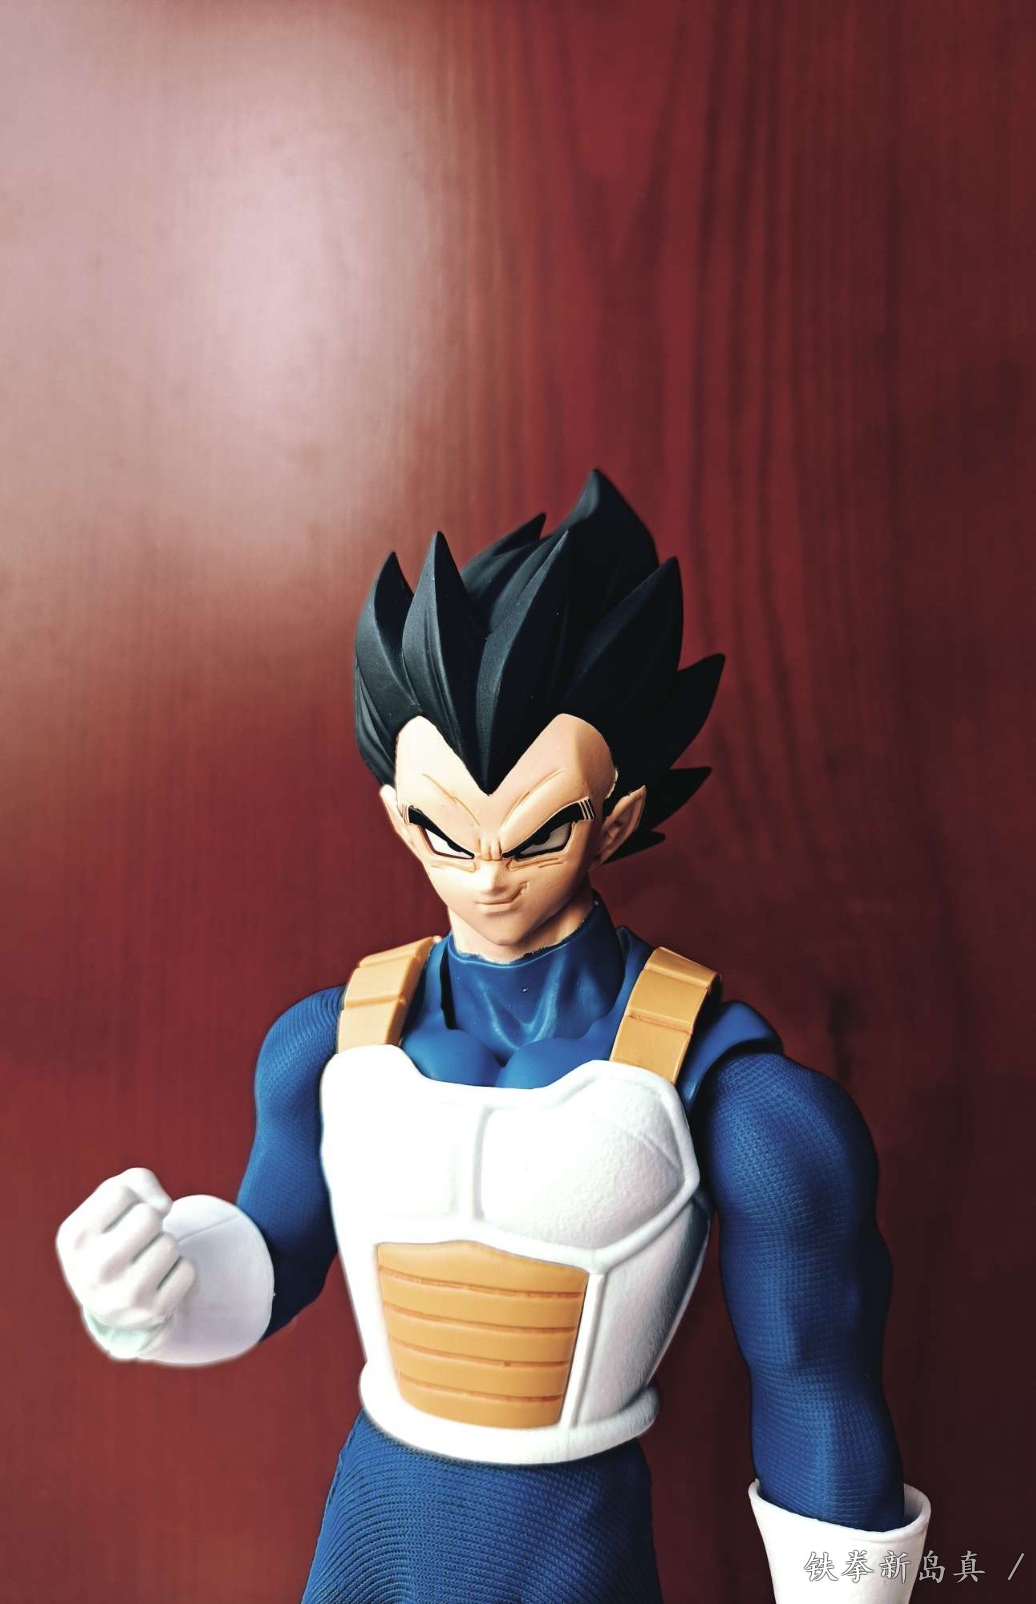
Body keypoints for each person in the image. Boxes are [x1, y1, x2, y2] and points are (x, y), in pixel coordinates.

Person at [57, 471, 929, 1603]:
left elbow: (817, 1386)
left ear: (618, 816)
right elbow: (270, 1260)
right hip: (370, 1532)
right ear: (395, 811)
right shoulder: (331, 1043)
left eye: (535, 832)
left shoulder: (738, 1099)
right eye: (443, 830)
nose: (487, 875)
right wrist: (149, 1289)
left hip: (571, 1549)